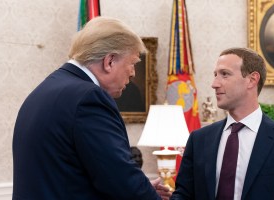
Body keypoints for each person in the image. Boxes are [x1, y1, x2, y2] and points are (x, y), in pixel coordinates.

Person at [12, 16, 171, 200]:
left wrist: (140, 188)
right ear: (110, 61)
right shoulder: (89, 98)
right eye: (133, 63)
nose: (133, 73)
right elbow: (119, 178)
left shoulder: (44, 90)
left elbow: (69, 174)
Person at [171, 47, 274, 200]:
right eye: (215, 75)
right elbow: (183, 195)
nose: (214, 84)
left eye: (225, 74)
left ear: (252, 80)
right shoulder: (199, 139)